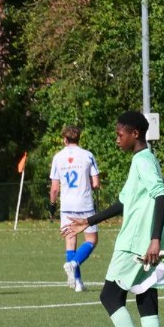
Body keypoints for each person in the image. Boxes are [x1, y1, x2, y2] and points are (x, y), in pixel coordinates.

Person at [63, 111, 164, 327]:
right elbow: (123, 203)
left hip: (136, 243)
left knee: (109, 296)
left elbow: (161, 195)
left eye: (120, 134)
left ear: (135, 134)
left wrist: (154, 239)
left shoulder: (143, 161)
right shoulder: (144, 159)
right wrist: (88, 221)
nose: (116, 139)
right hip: (146, 241)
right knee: (146, 299)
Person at [50, 125, 101, 292]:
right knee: (91, 240)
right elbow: (96, 183)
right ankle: (74, 264)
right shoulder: (88, 155)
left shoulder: (58, 157)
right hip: (84, 203)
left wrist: (52, 206)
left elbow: (55, 188)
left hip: (67, 206)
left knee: (70, 241)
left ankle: (78, 283)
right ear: (78, 138)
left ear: (65, 139)